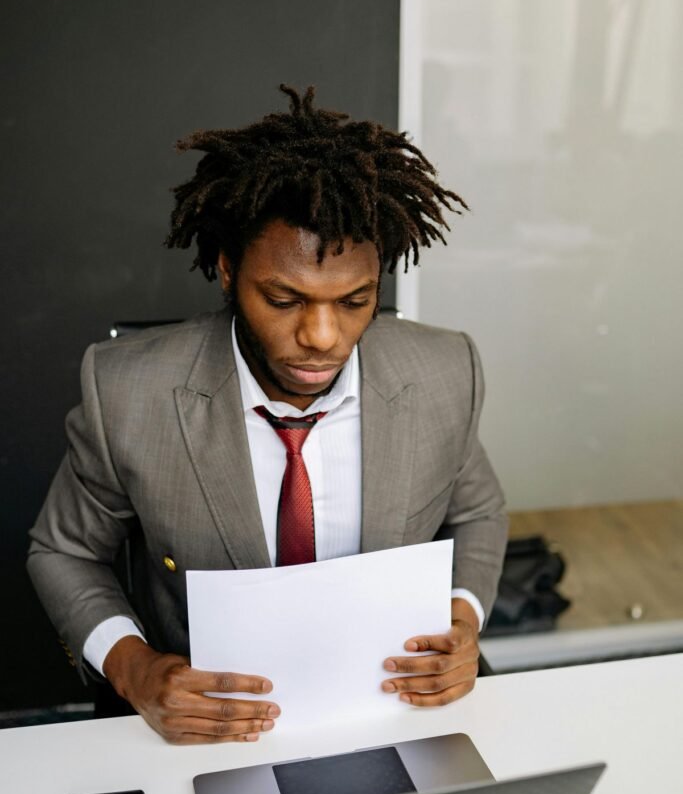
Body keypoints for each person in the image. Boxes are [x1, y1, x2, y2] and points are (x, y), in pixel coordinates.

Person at [28, 85, 508, 744]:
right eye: (283, 299)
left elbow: (478, 512)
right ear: (227, 271)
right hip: (210, 728)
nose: (321, 336)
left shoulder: (446, 370)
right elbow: (61, 550)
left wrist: (462, 617)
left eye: (354, 301)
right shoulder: (127, 392)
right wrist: (134, 668)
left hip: (397, 713)